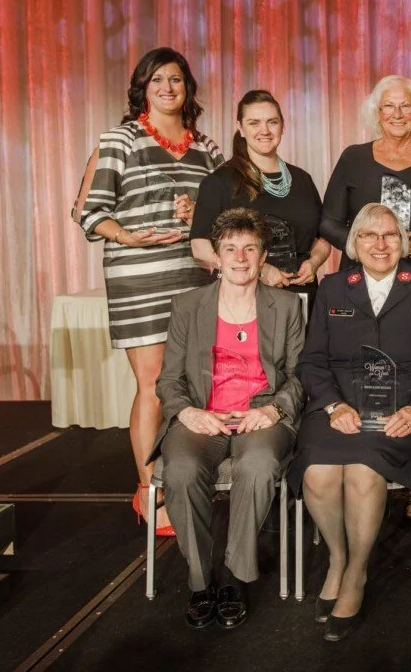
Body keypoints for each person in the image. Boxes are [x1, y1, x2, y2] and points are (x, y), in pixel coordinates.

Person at [292, 203, 411, 641]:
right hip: (340, 407)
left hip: (401, 409)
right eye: (369, 235)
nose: (380, 244)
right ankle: (338, 557)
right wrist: (333, 406)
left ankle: (357, 573)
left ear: (403, 242)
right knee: (318, 475)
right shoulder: (333, 287)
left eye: (390, 235)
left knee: (363, 472)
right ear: (354, 244)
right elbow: (312, 362)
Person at [73, 46, 224, 536]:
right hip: (138, 275)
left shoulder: (209, 148)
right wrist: (127, 235)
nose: (167, 87)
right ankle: (149, 491)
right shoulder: (120, 139)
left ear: (188, 88)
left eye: (175, 79)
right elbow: (88, 212)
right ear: (143, 88)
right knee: (155, 383)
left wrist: (199, 215)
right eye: (157, 79)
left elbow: (226, 218)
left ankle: (187, 479)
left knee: (195, 383)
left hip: (195, 276)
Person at [151, 208, 305, 629]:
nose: (240, 258)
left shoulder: (287, 305)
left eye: (250, 249)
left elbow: (301, 374)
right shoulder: (188, 305)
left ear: (263, 255)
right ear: (216, 256)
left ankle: (236, 577)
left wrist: (273, 409)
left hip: (262, 416)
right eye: (231, 248)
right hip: (204, 415)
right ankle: (201, 582)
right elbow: (169, 379)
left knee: (257, 465)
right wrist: (188, 412)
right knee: (181, 471)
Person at [320, 75, 411, 301]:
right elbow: (328, 222)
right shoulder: (353, 158)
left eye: (405, 106)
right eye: (389, 106)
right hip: (363, 281)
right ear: (377, 113)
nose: (397, 114)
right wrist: (363, 245)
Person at [191, 89, 331, 297]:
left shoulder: (302, 179)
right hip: (245, 296)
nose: (264, 130)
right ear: (240, 128)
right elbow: (199, 246)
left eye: (272, 122)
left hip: (303, 295)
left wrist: (314, 262)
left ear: (283, 126)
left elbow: (323, 238)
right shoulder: (219, 182)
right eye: (254, 123)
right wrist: (258, 269)